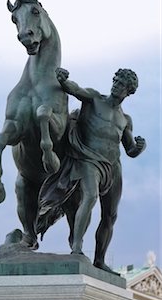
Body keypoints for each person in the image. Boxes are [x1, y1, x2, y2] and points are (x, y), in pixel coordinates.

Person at [36, 68, 146, 272]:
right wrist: (63, 79)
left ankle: (99, 259)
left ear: (128, 92)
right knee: (90, 197)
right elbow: (75, 89)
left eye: (121, 84)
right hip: (88, 159)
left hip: (113, 167)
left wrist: (139, 148)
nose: (116, 85)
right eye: (115, 80)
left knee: (110, 216)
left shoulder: (125, 119)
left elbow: (129, 149)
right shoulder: (95, 98)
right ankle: (77, 248)